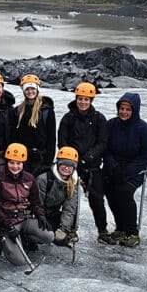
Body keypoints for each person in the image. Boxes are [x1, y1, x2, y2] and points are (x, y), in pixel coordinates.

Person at [57, 82, 110, 243]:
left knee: (97, 199)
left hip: (92, 165)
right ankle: (70, 229)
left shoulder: (99, 118)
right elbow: (62, 140)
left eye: (86, 99)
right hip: (70, 165)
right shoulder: (69, 118)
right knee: (69, 198)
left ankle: (102, 230)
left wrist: (88, 157)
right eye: (80, 99)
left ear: (91, 100)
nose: (83, 102)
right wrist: (71, 159)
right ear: (76, 99)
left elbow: (102, 142)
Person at [102, 92, 147, 248]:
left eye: (128, 109)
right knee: (108, 189)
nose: (124, 112)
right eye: (122, 108)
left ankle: (132, 232)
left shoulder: (143, 129)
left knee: (124, 192)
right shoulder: (111, 125)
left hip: (137, 170)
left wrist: (126, 171)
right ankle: (120, 228)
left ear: (135, 111)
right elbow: (105, 148)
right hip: (114, 168)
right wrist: (112, 165)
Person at [0, 143, 47, 267]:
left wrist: (40, 215)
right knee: (19, 261)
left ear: (23, 163)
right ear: (6, 162)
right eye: (12, 163)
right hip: (6, 221)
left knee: (48, 236)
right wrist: (8, 226)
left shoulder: (29, 178)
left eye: (18, 163)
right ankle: (0, 239)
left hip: (24, 218)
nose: (15, 166)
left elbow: (36, 202)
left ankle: (25, 239)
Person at [36, 147, 82, 249]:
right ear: (58, 164)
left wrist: (63, 229)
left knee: (62, 239)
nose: (66, 168)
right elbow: (36, 205)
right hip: (38, 215)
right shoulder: (44, 179)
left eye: (71, 165)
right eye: (64, 164)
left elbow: (69, 209)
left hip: (53, 214)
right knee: (43, 236)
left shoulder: (73, 183)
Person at [14, 74, 56, 177]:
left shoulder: (47, 111)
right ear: (23, 91)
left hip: (41, 159)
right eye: (27, 89)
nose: (30, 92)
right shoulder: (18, 111)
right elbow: (14, 136)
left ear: (37, 89)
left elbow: (51, 138)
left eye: (33, 88)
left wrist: (48, 162)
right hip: (22, 158)